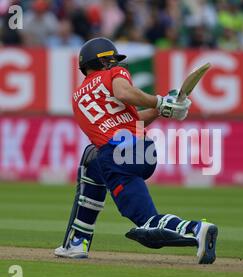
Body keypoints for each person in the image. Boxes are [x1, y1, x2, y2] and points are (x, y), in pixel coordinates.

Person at [54, 37, 218, 264]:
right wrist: (161, 106)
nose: (116, 63)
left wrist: (161, 105)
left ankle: (196, 229)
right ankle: (77, 242)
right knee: (91, 163)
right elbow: (131, 115)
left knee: (146, 221)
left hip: (117, 154)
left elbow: (123, 97)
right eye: (112, 59)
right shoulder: (114, 74)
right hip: (140, 151)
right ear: (101, 60)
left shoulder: (78, 96)